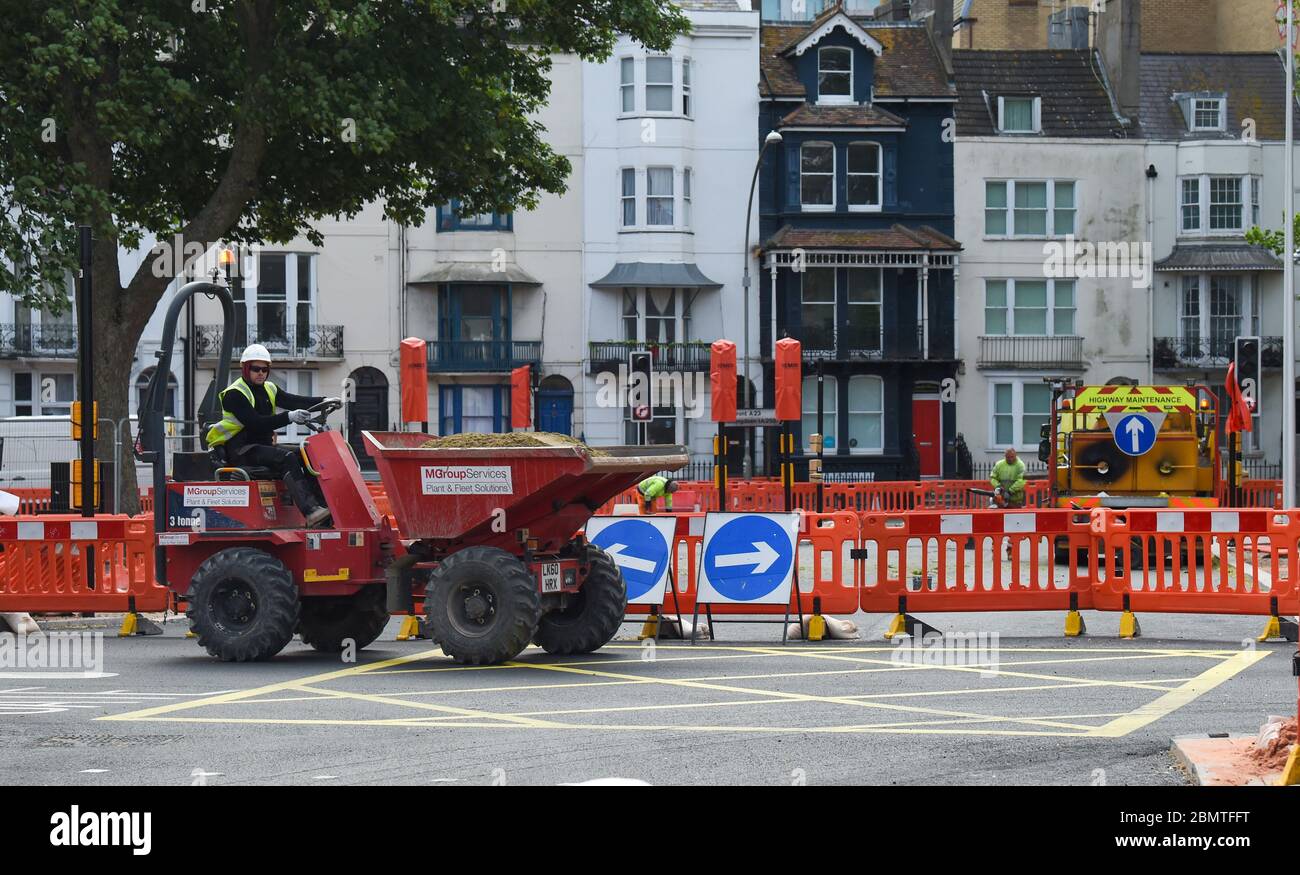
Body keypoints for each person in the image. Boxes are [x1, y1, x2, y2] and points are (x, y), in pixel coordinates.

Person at [205, 344, 340, 527]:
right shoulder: (234, 394)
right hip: (241, 450)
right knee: (286, 457)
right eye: (255, 369)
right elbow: (256, 423)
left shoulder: (269, 388)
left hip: (262, 447)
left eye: (264, 369)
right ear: (245, 368)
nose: (261, 373)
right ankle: (310, 511)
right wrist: (289, 417)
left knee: (308, 454)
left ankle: (324, 510)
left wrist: (323, 400)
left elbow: (293, 400)